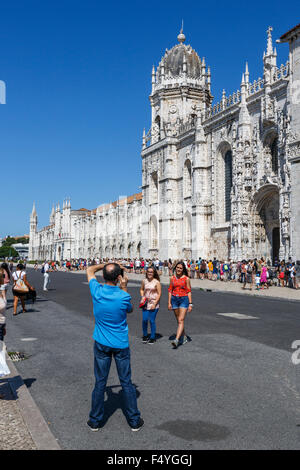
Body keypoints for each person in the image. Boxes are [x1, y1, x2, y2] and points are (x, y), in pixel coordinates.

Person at [86, 262, 144, 432]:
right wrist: (124, 286)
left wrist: (107, 264)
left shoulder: (96, 291)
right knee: (126, 382)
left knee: (100, 383)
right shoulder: (123, 296)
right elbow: (129, 310)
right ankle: (134, 420)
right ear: (119, 278)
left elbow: (89, 270)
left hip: (101, 344)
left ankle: (95, 421)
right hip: (120, 344)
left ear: (103, 276)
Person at [168, 261, 192, 349]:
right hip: (174, 300)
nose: (179, 269)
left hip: (184, 300)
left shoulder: (186, 279)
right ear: (175, 268)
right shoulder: (172, 278)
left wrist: (190, 304)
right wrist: (169, 302)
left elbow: (189, 291)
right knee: (179, 320)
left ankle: (177, 340)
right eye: (177, 267)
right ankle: (184, 336)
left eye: (181, 268)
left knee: (181, 319)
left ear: (183, 269)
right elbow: (170, 290)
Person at [139, 266, 161, 344]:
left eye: (151, 272)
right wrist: (142, 297)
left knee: (151, 320)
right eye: (148, 271)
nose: (149, 273)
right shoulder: (144, 281)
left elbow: (159, 294)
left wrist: (154, 304)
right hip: (145, 303)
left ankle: (152, 337)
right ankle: (145, 335)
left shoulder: (157, 282)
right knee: (144, 320)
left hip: (154, 303)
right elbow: (141, 289)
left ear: (154, 273)